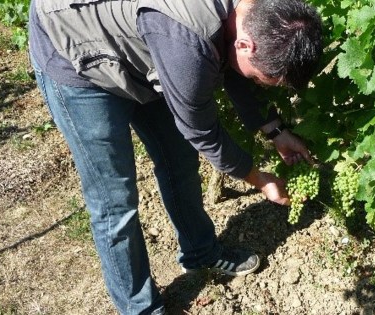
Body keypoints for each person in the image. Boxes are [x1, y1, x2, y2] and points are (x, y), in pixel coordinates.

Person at [28, 0, 322, 313]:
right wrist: (257, 177)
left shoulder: (254, 15)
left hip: (142, 44)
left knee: (179, 161)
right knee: (115, 201)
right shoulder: (186, 42)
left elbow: (235, 67)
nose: (255, 82)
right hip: (75, 53)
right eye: (258, 77)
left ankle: (201, 252)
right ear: (245, 43)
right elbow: (201, 130)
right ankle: (139, 308)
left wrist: (275, 132)